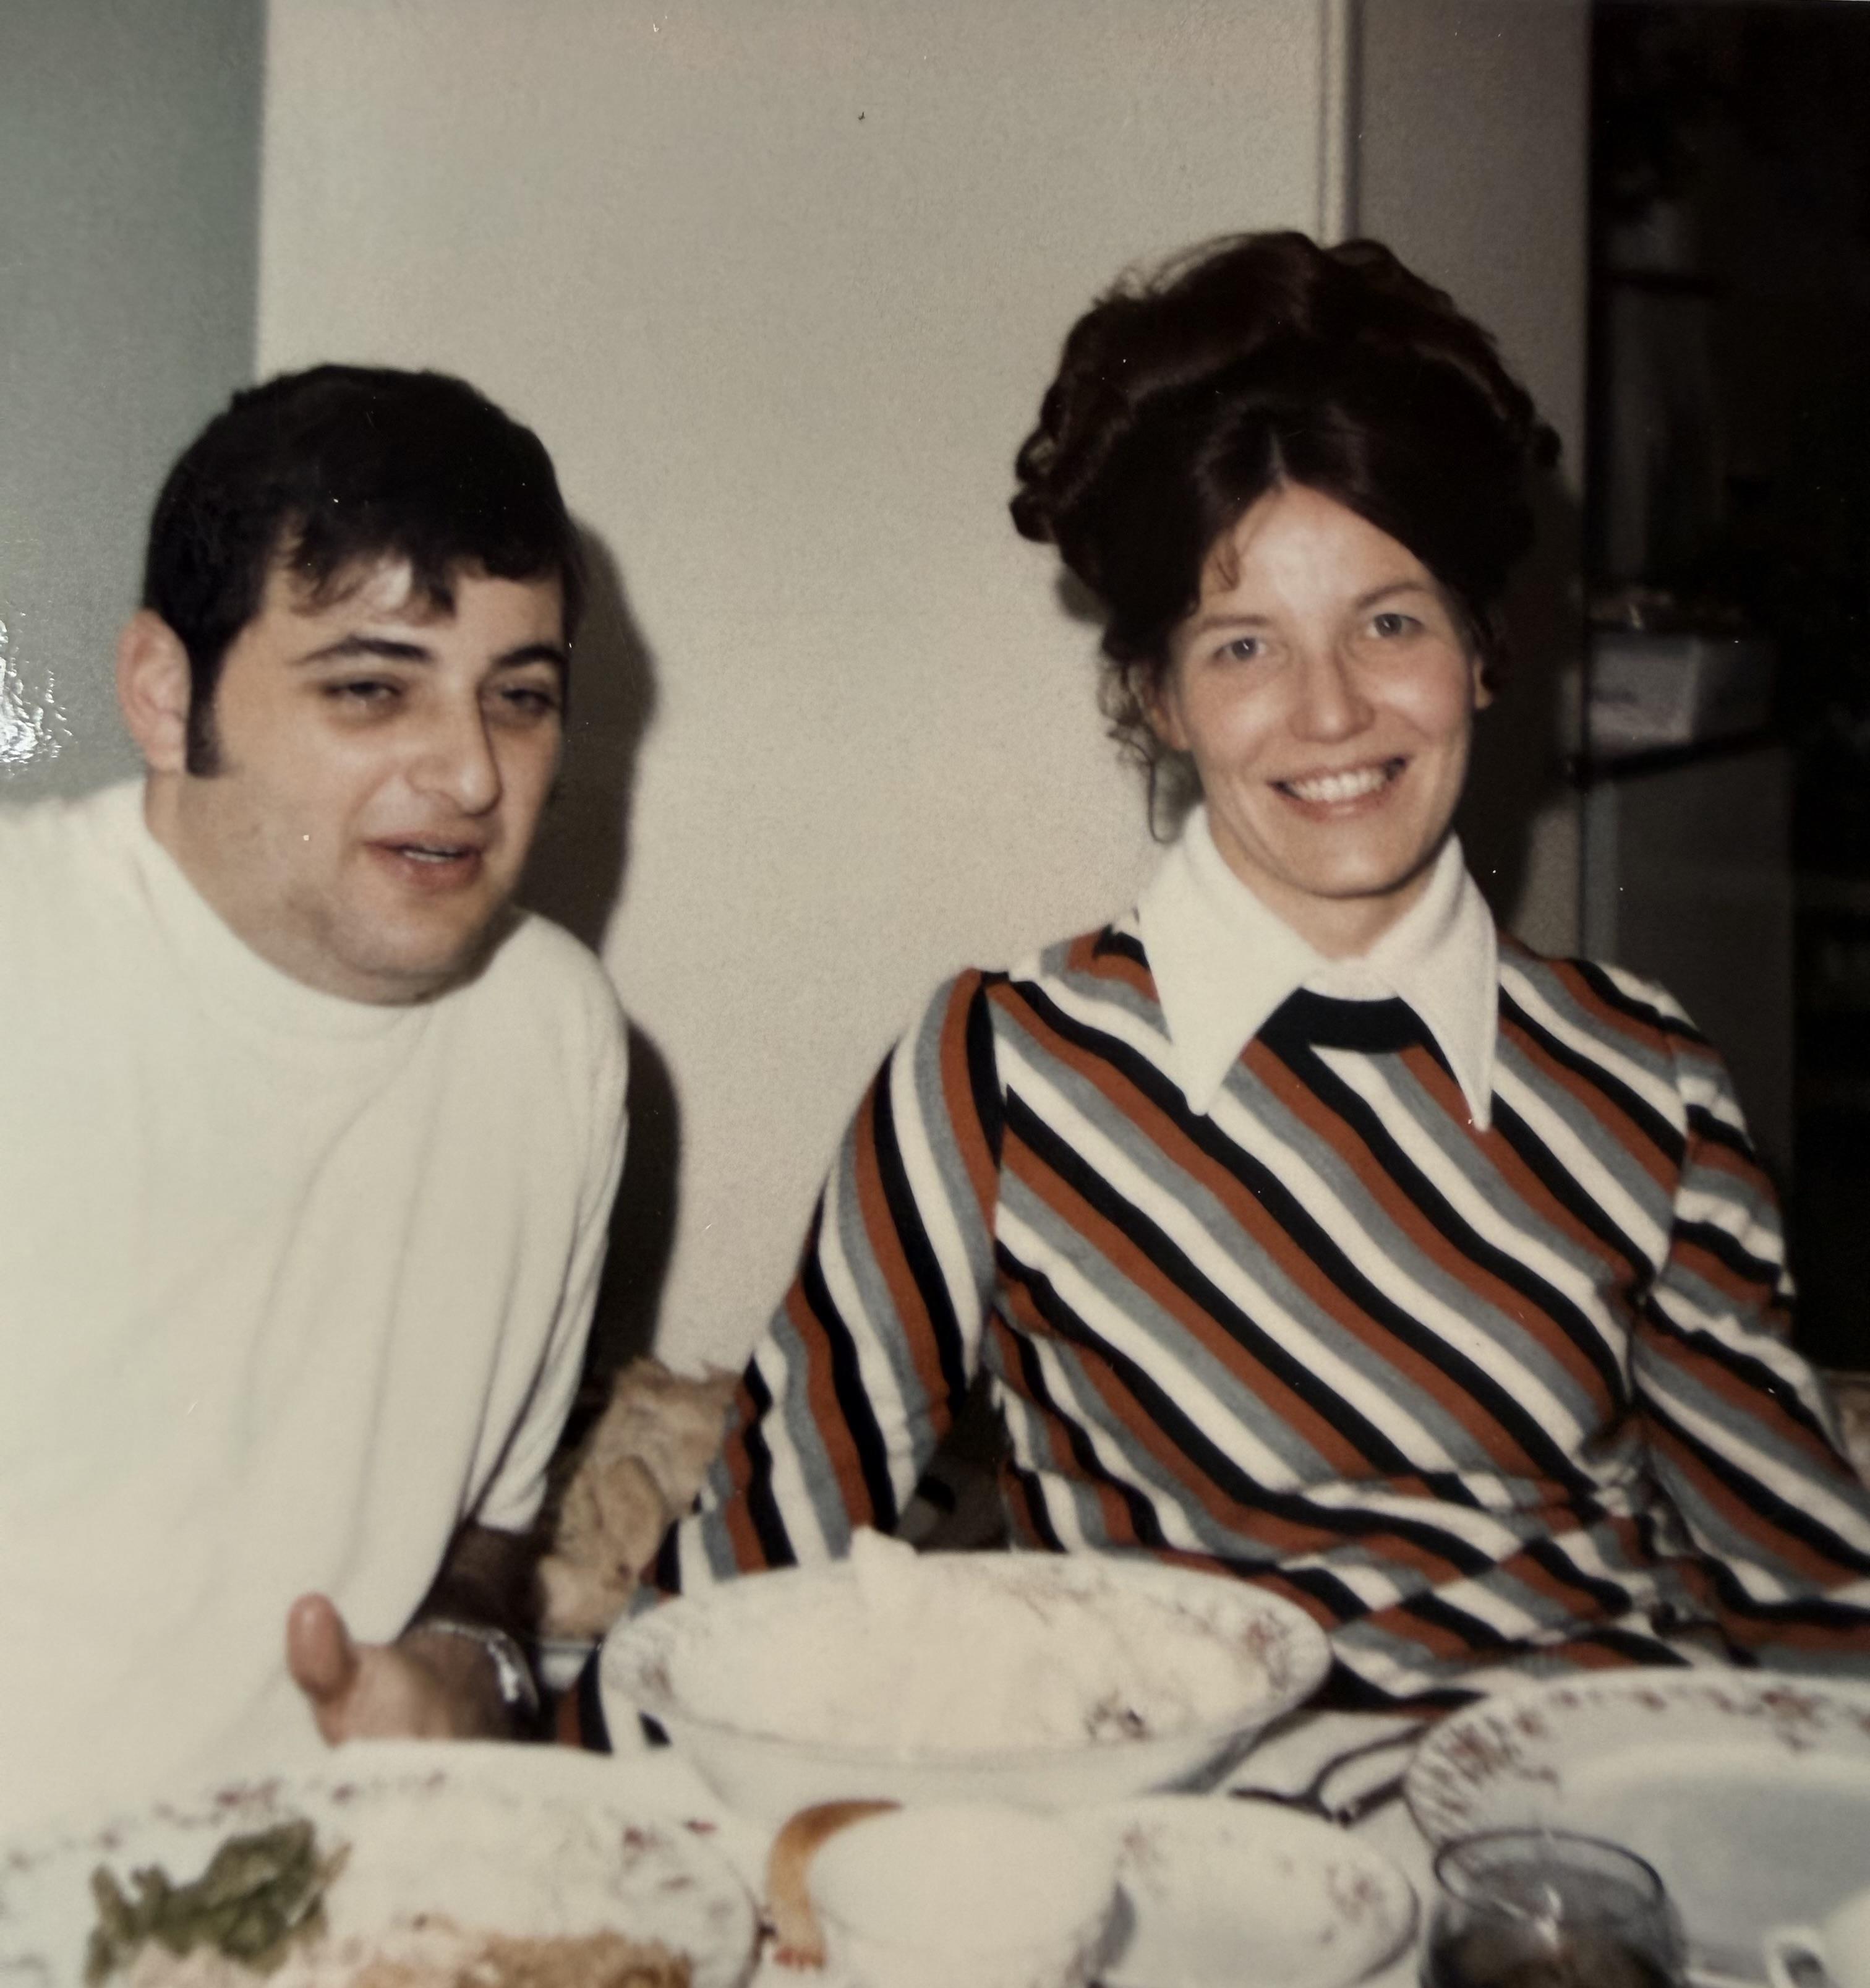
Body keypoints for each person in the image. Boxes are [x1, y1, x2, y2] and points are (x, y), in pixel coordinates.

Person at [639, 231, 1870, 1712]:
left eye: (1392, 621)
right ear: (1157, 696)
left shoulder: (1645, 1075)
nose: (1333, 710)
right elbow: (755, 1566)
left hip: (1582, 1874)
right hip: (1200, 1874)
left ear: (1483, 650)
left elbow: (1805, 1595)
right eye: (1243, 648)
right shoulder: (1004, 1070)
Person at [0, 365, 629, 1828]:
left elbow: (488, 1537)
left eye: (519, 700)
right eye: (370, 688)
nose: (470, 773)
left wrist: (466, 1672)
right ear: (165, 695)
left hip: (324, 1939)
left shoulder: (557, 1035)